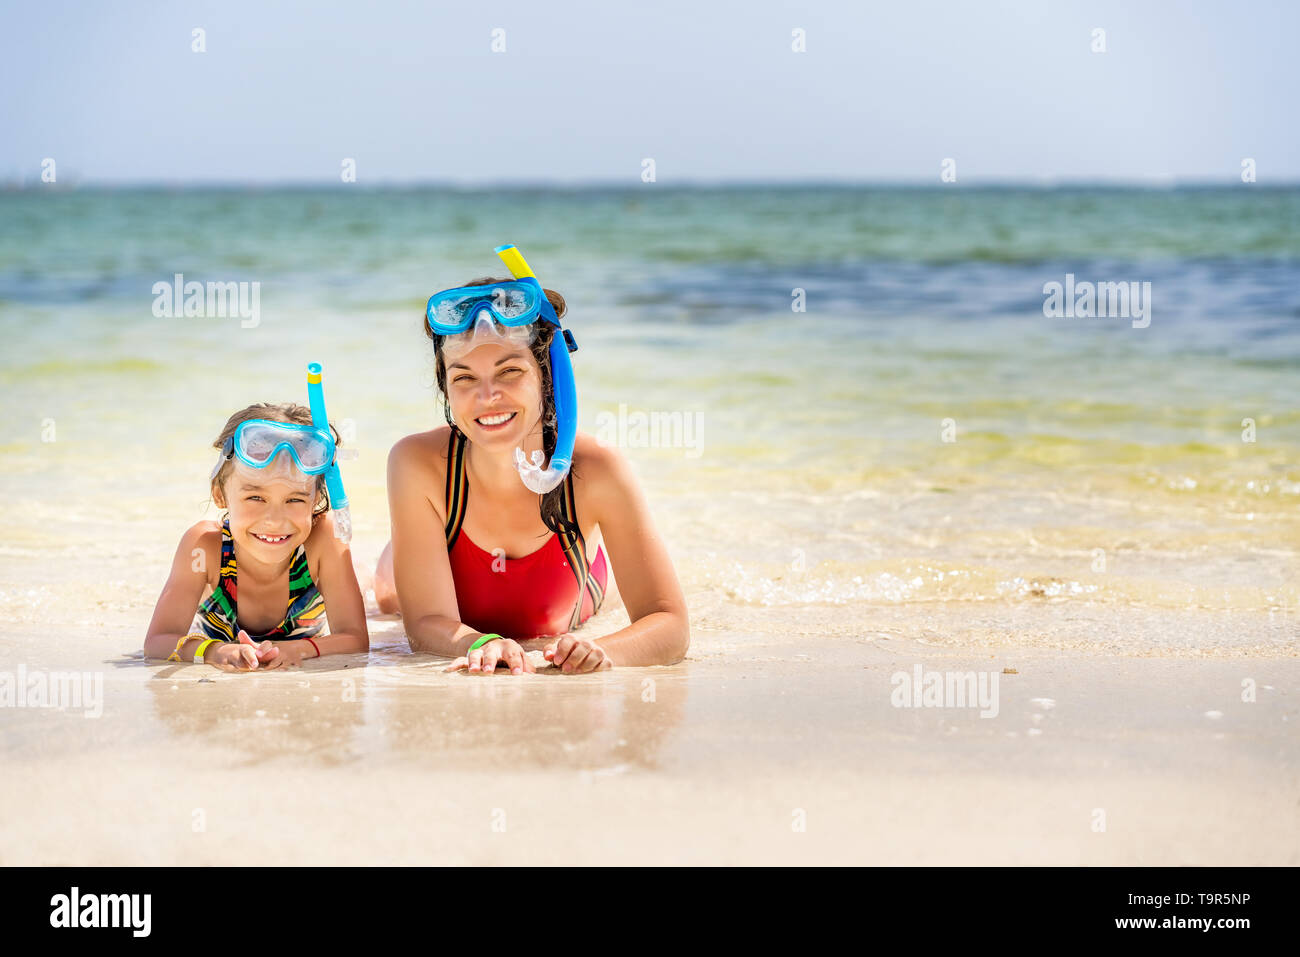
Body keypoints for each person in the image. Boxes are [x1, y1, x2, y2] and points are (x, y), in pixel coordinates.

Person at [376, 246, 689, 675]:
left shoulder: (595, 470)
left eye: (510, 372)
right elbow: (424, 625)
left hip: (575, 589)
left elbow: (668, 624)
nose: (487, 397)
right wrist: (480, 643)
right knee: (389, 596)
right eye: (464, 377)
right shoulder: (417, 464)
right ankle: (407, 545)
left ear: (548, 375)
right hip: (428, 553)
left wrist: (602, 651)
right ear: (445, 388)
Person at [144, 403, 369, 670]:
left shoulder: (323, 541)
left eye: (294, 499)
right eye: (255, 497)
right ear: (220, 494)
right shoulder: (204, 548)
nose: (274, 520)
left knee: (383, 600)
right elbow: (158, 642)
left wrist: (301, 648)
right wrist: (215, 651)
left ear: (316, 499)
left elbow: (355, 639)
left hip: (334, 585)